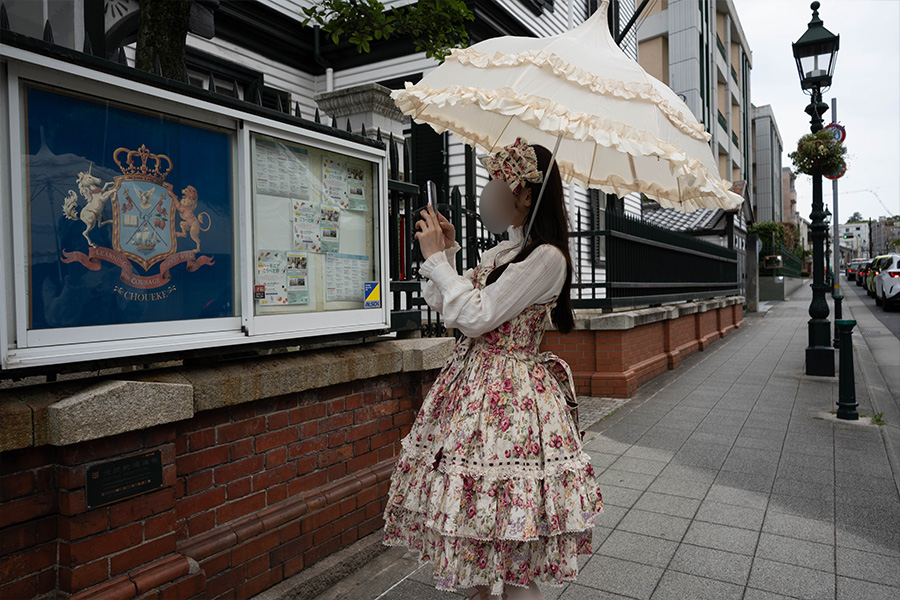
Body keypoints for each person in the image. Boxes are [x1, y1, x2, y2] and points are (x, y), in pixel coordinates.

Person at [382, 138, 604, 599]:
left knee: (512, 549)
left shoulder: (548, 258)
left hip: (512, 403)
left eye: (497, 182)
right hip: (472, 396)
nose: (488, 192)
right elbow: (455, 309)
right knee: (476, 546)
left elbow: (479, 315)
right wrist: (446, 256)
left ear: (525, 194)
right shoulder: (502, 253)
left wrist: (437, 262)